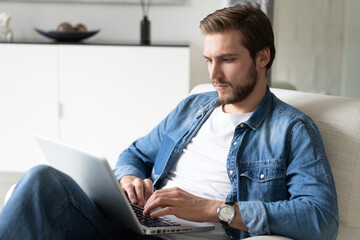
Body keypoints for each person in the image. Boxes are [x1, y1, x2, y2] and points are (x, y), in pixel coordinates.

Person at [0, 4, 338, 240]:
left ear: (262, 57)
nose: (214, 75)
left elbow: (320, 220)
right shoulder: (193, 106)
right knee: (42, 179)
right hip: (136, 228)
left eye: (227, 60)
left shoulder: (291, 130)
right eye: (209, 60)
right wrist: (130, 177)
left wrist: (213, 210)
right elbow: (135, 153)